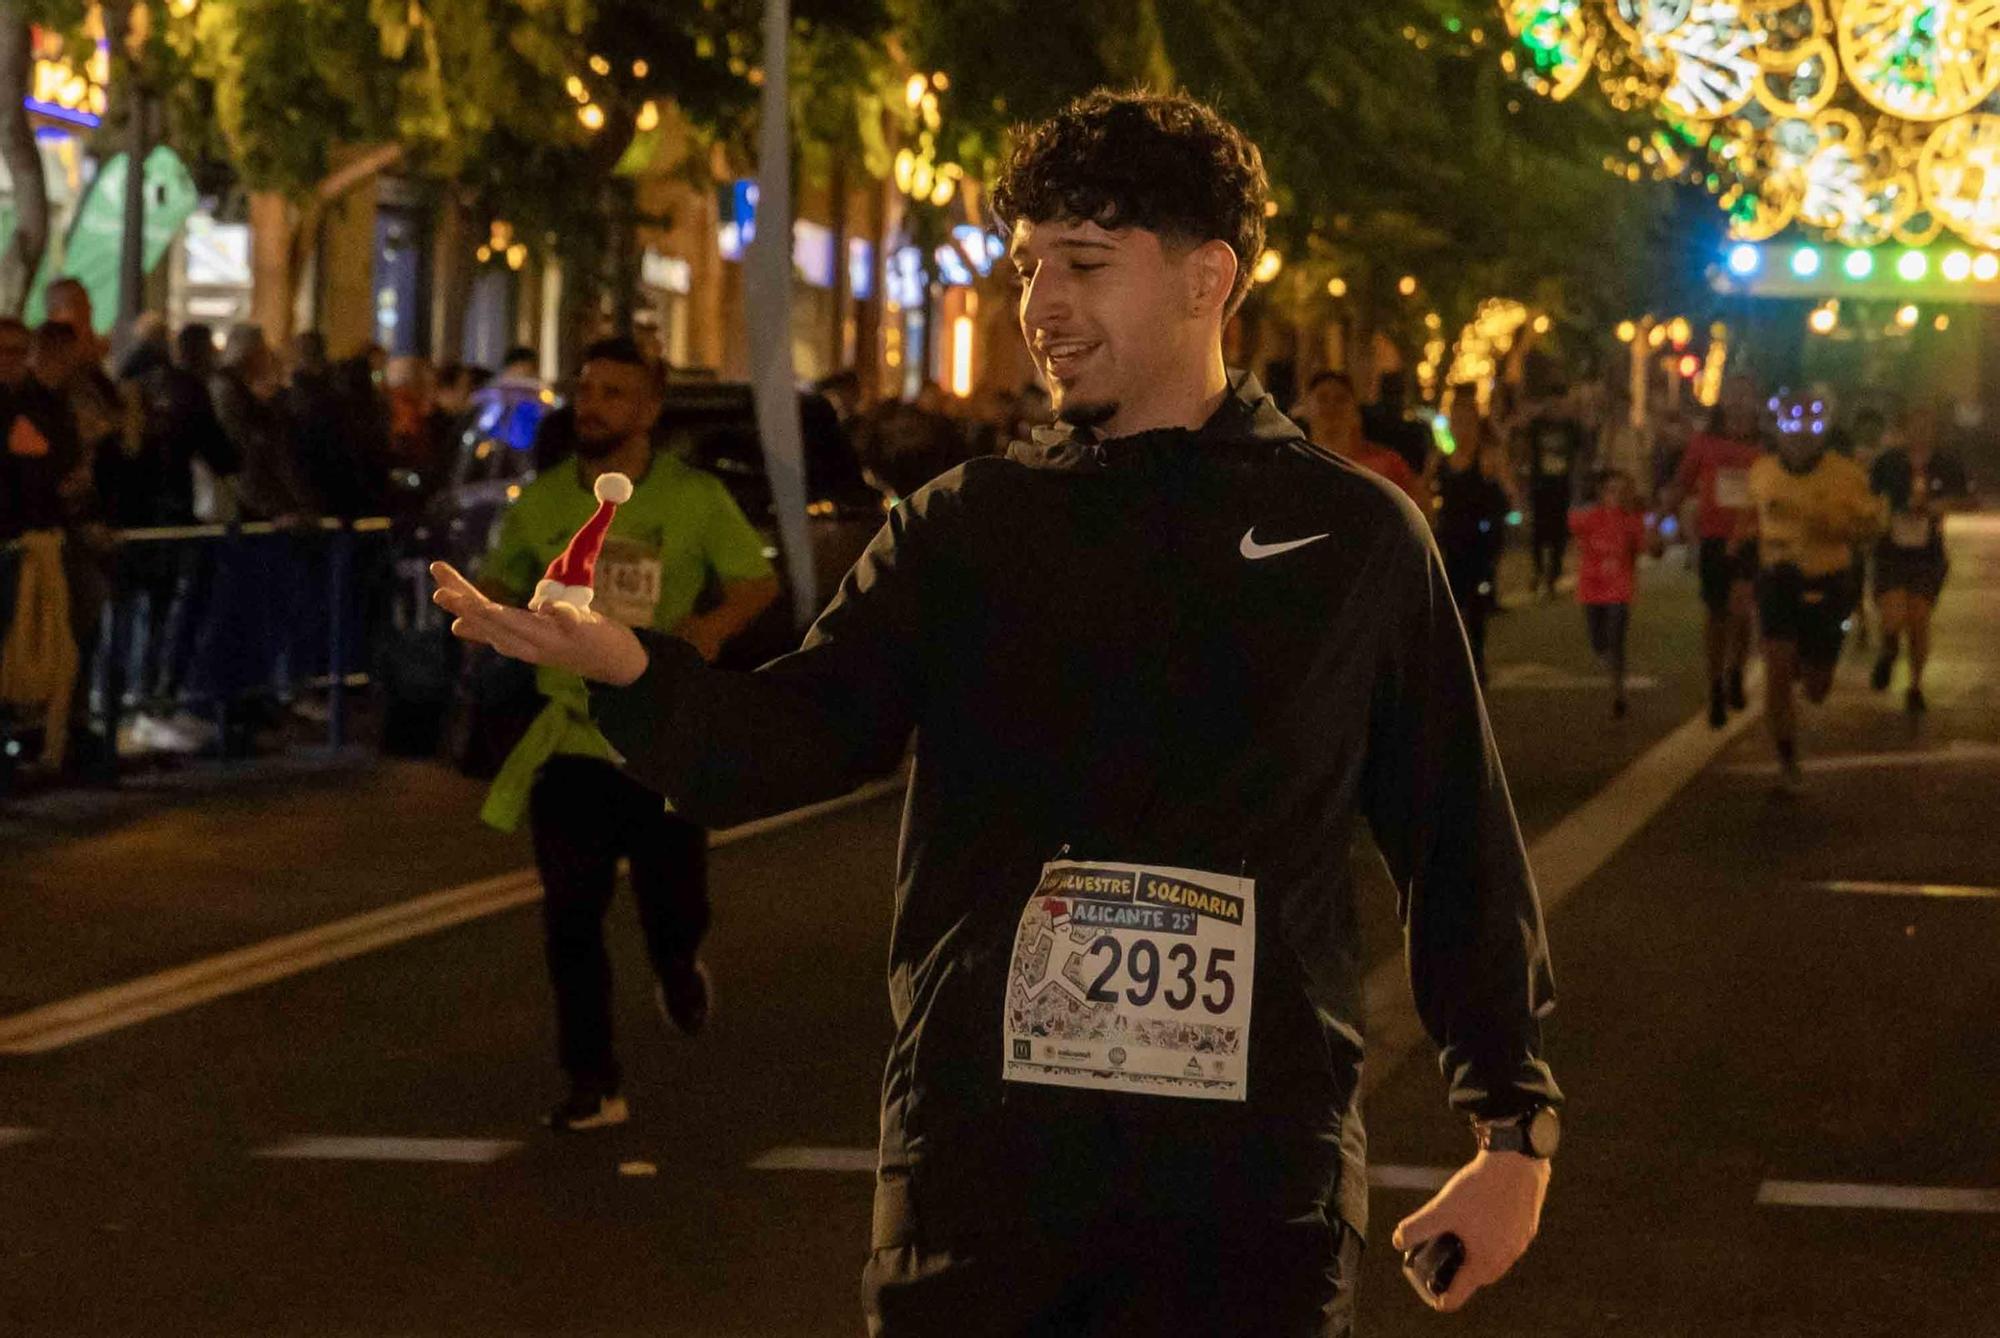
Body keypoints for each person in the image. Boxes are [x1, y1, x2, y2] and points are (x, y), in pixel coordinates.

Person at [435, 90, 1561, 1335]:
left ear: (1208, 279)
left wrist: (1511, 1128)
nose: (1040, 308)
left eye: (1083, 264)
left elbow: (1454, 838)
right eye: (1028, 267)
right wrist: (627, 671)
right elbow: (790, 737)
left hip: (1243, 1196)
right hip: (978, 1177)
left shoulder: (1351, 539)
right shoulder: (964, 527)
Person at [473, 336, 779, 1133]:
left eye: (612, 393)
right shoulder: (540, 502)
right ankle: (592, 1081)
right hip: (570, 745)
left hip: (661, 739)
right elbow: (502, 584)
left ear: (648, 409)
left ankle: (678, 965)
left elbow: (756, 582)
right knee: (570, 917)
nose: (592, 405)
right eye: (585, 390)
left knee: (671, 904)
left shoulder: (693, 499)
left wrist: (707, 633)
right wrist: (490, 611)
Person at [1738, 417, 1885, 790]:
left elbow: (1869, 528)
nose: (1800, 437)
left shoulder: (1846, 474)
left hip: (1828, 579)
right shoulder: (1762, 471)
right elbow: (1748, 519)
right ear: (1779, 434)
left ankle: (1810, 662)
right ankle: (1787, 760)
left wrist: (1839, 526)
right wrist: (1739, 563)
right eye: (1791, 428)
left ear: (1821, 435)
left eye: (1809, 429)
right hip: (1778, 579)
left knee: (1817, 688)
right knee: (1777, 671)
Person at [1663, 374, 1766, 728]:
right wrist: (1657, 522)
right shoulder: (1704, 442)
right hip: (1714, 537)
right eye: (1732, 394)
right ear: (1722, 401)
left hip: (1753, 538)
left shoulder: (1766, 446)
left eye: (1745, 394)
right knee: (1716, 615)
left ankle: (1737, 669)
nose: (1739, 401)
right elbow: (1681, 483)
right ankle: (1717, 685)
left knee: (1742, 608)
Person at [1867, 404, 1972, 714]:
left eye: (1927, 425)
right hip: (1891, 549)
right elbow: (1868, 495)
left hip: (1928, 553)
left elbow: (1967, 499)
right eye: (1914, 424)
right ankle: (1888, 648)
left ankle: (1915, 685)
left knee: (1919, 620)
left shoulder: (1947, 463)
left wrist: (1939, 506)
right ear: (1905, 428)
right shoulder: (1888, 462)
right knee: (1893, 616)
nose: (1921, 432)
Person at [1434, 392, 1514, 685]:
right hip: (1449, 539)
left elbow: (1509, 492)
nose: (1461, 427)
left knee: (1476, 605)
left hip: (1480, 541)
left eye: (1467, 421)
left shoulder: (1487, 458)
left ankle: (1476, 662)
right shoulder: (1441, 459)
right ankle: (1453, 663)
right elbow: (1425, 493)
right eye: (1456, 421)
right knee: (1449, 604)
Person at [1569, 469, 1659, 718]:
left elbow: (1651, 548)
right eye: (1612, 491)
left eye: (1622, 491)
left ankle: (1618, 692)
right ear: (1601, 493)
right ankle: (1612, 672)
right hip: (1592, 590)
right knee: (1599, 643)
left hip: (1619, 590)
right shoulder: (1590, 518)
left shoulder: (1631, 521)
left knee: (1616, 641)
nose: (1617, 496)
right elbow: (1572, 525)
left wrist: (1651, 527)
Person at [1297, 369, 1431, 513]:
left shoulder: (1387, 464)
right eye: (1322, 398)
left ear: (1355, 412)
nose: (1331, 406)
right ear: (1306, 409)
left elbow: (1420, 514)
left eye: (1341, 399)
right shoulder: (1295, 465)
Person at [1516, 379, 1589, 599]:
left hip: (1562, 486)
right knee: (1539, 531)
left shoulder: (1572, 427)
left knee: (1558, 533)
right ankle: (1539, 571)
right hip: (1540, 485)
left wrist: (1578, 484)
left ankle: (1553, 574)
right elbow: (1525, 449)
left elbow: (1579, 455)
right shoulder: (1537, 425)